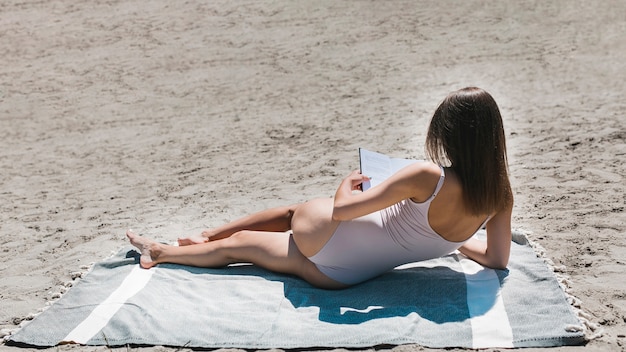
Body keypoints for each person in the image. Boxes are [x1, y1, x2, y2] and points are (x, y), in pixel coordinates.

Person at [127, 87, 513, 289]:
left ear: (449, 137)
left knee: (294, 215)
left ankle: (168, 249)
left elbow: (343, 211)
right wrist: (451, 240)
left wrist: (346, 186)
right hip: (340, 277)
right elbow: (497, 260)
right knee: (242, 245)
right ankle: (194, 241)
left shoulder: (427, 176)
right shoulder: (499, 196)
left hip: (330, 237)